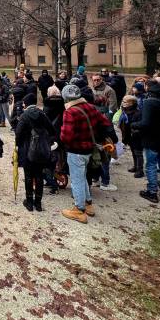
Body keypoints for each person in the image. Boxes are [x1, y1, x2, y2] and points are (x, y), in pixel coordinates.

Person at [59, 84, 114, 223]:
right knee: (82, 177)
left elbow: (66, 137)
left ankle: (79, 209)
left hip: (76, 150)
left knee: (77, 180)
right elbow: (105, 123)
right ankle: (88, 203)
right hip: (90, 149)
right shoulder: (90, 107)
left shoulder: (70, 112)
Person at [15, 93, 56, 212]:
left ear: (26, 103)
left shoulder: (24, 115)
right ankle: (38, 203)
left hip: (27, 148)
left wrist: (19, 144)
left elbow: (18, 133)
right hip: (41, 150)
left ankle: (29, 202)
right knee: (39, 176)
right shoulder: (42, 114)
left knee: (28, 176)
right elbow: (52, 129)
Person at [119, 95, 144, 178]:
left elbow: (140, 126)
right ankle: (135, 166)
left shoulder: (138, 112)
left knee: (138, 153)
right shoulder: (124, 111)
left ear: (132, 103)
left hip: (136, 136)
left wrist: (134, 131)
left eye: (125, 102)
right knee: (133, 152)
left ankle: (140, 170)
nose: (123, 103)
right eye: (123, 101)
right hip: (129, 135)